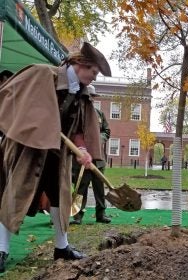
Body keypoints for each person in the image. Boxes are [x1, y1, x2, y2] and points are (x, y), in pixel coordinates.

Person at [0, 42, 112, 273]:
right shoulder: (42, 75)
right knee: (14, 195)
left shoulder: (81, 93)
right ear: (81, 64)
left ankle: (62, 248)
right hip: (27, 149)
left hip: (56, 154)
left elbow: (78, 130)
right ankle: (1, 250)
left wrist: (83, 150)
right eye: (93, 72)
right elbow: (8, 96)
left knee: (59, 199)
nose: (94, 78)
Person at [70, 85, 111, 225]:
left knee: (99, 188)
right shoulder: (77, 114)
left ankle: (101, 214)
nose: (90, 99)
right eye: (88, 96)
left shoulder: (99, 114)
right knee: (81, 187)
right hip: (81, 158)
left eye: (92, 97)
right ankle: (78, 215)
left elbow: (107, 131)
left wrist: (99, 138)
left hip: (98, 159)